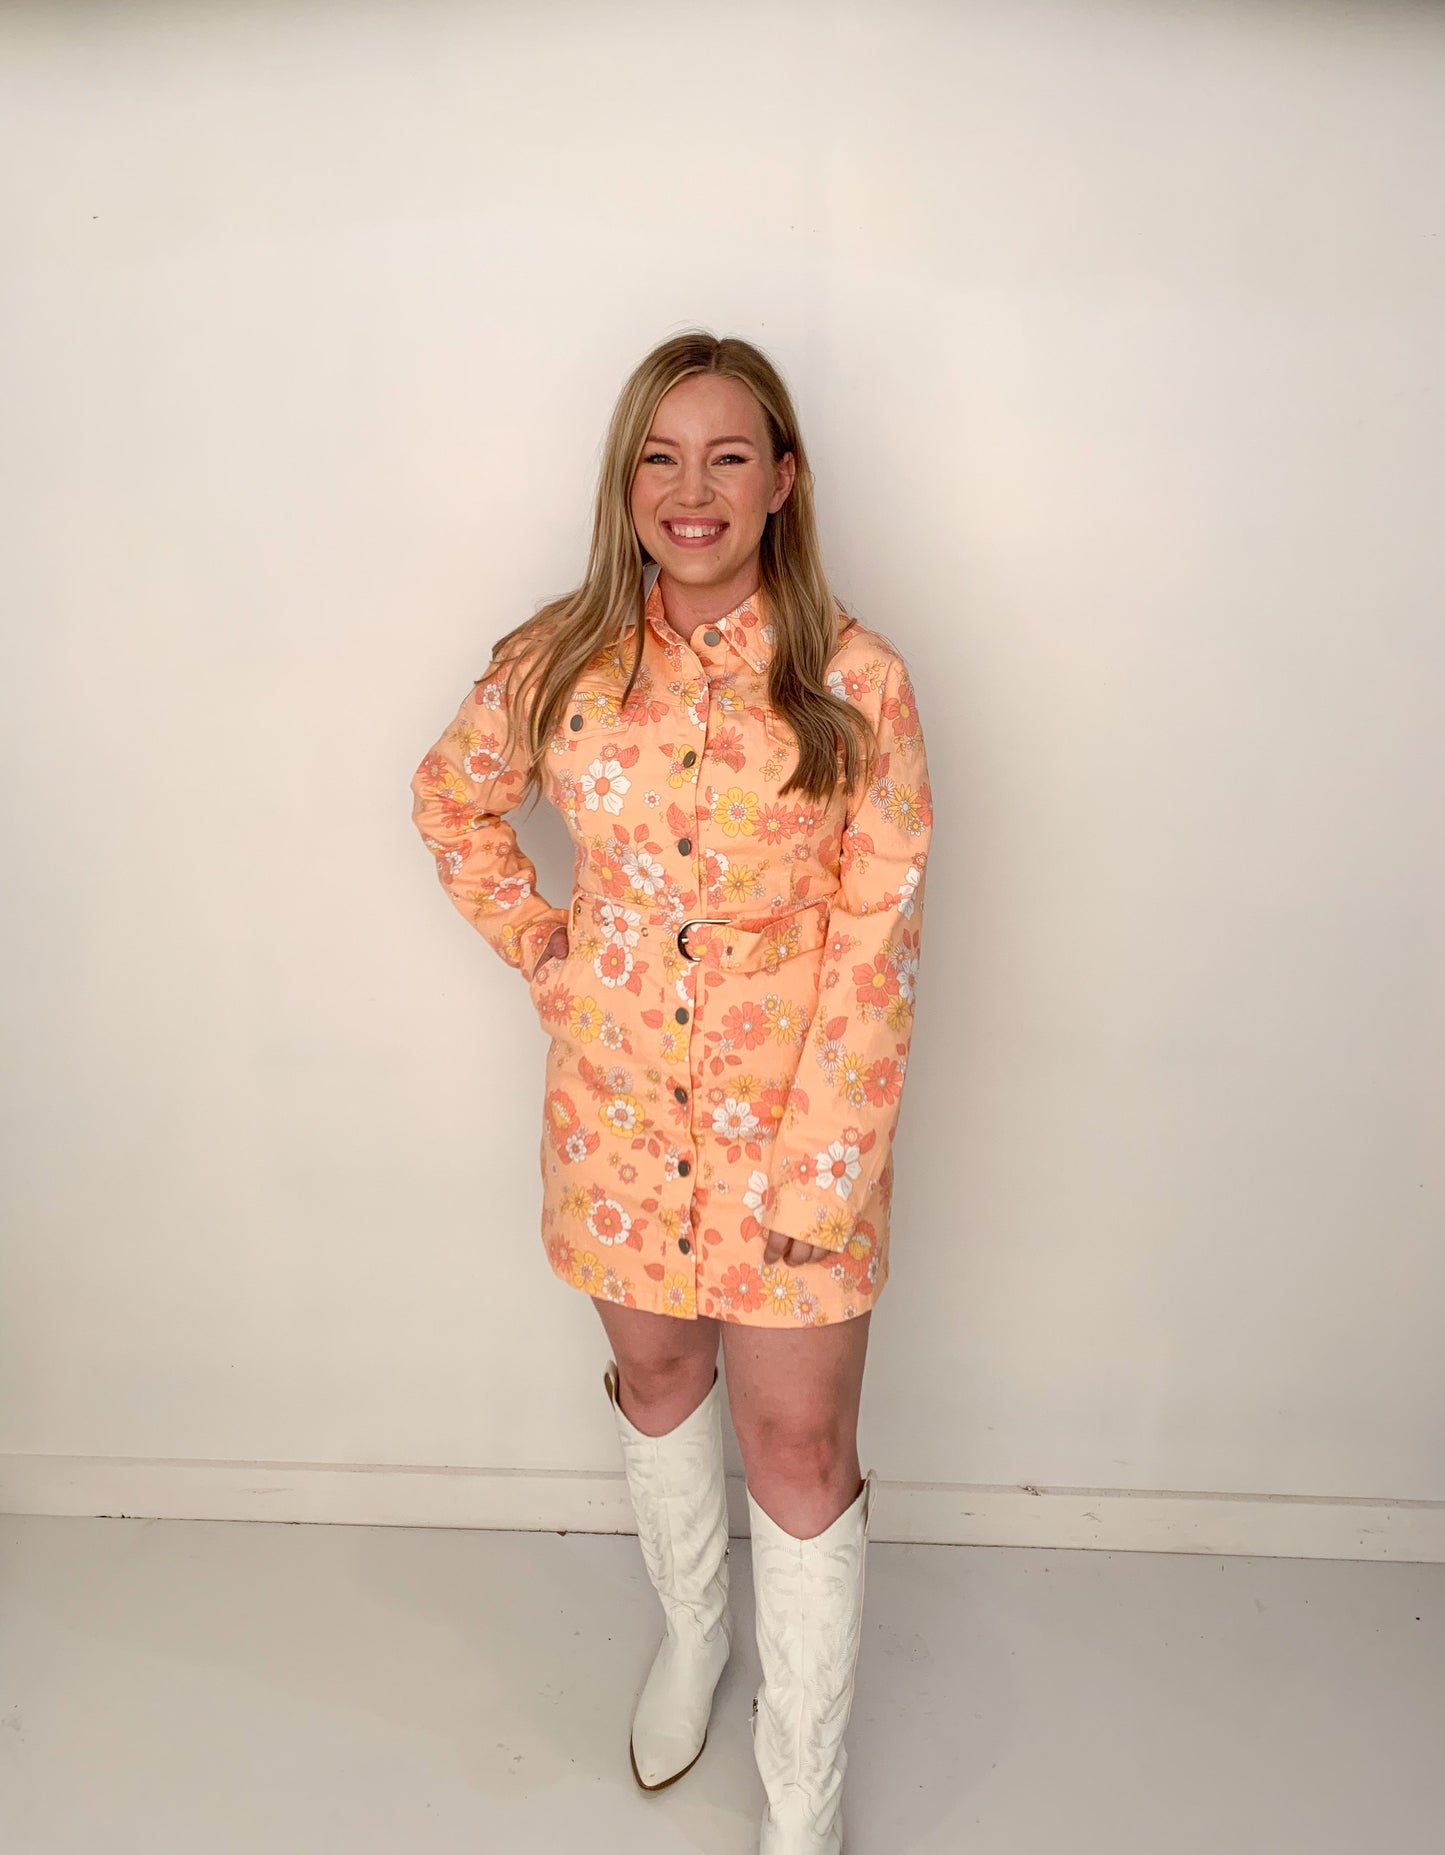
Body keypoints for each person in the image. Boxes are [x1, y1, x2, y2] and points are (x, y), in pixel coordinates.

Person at [410, 329, 931, 1852]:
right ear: (626, 481)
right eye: (660, 456)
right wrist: (552, 954)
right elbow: (449, 805)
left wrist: (821, 1167)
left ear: (782, 482)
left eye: (726, 456)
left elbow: (879, 934)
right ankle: (697, 1637)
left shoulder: (856, 681)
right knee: (656, 1384)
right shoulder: (562, 662)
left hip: (800, 1124)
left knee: (799, 1446)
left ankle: (802, 1797)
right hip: (619, 1117)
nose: (690, 489)